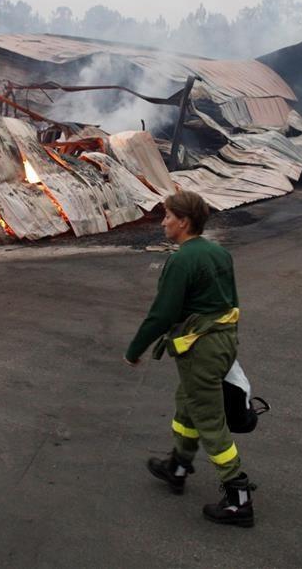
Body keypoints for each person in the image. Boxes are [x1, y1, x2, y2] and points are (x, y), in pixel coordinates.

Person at [123, 191, 256, 527]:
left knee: (210, 420)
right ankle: (178, 467)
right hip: (222, 342)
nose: (163, 222)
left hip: (201, 348)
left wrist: (135, 349)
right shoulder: (219, 253)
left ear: (184, 221)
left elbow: (163, 313)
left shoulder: (182, 260)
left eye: (167, 216)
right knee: (187, 406)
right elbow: (230, 302)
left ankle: (238, 497)